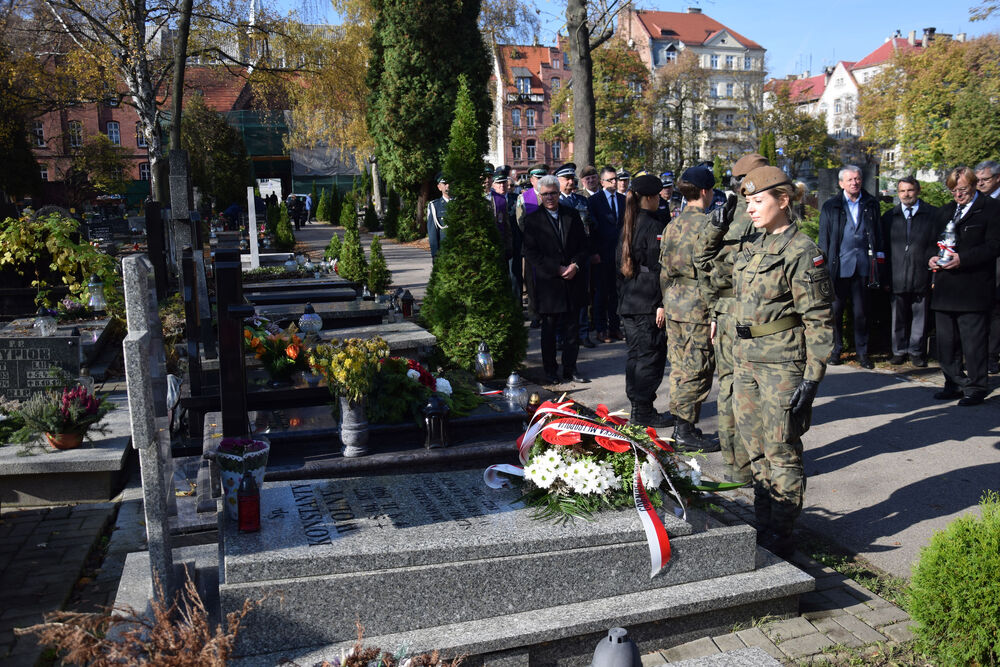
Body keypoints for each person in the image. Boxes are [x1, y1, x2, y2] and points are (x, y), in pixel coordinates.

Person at [733, 165, 834, 558]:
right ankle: (763, 523)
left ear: (784, 201)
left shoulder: (802, 252)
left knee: (781, 450)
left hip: (782, 366)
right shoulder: (753, 246)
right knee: (754, 450)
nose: (751, 209)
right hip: (746, 363)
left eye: (758, 201)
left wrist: (813, 378)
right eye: (748, 202)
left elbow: (819, 320)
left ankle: (783, 533)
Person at [698, 152, 768, 483]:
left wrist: (714, 309)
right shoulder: (755, 214)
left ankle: (735, 464)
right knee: (751, 391)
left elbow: (706, 267)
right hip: (750, 315)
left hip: (727, 313)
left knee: (729, 386)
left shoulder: (727, 213)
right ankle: (751, 465)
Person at [926, 166, 1000, 406]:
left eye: (963, 190)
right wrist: (931, 257)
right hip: (945, 287)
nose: (958, 195)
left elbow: (993, 246)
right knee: (946, 342)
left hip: (973, 287)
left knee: (973, 342)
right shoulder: (944, 212)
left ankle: (978, 386)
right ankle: (954, 382)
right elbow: (930, 243)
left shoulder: (991, 209)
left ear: (974, 185)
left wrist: (963, 259)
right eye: (953, 190)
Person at [660, 165, 719, 452]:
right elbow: (714, 273)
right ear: (706, 192)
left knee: (680, 367)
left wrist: (664, 301)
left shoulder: (673, 224)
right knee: (697, 368)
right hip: (698, 306)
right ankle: (684, 430)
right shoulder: (708, 225)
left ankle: (683, 425)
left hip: (675, 302)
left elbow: (664, 271)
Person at [522, 175, 591, 385]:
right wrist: (556, 268)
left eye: (553, 193)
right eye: (545, 194)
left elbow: (583, 246)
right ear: (539, 196)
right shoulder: (532, 220)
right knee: (549, 331)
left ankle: (571, 369)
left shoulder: (571, 214)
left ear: (558, 193)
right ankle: (550, 371)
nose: (550, 197)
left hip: (572, 280)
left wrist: (575, 265)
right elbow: (531, 254)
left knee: (572, 330)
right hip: (549, 284)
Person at [617, 174, 673, 428]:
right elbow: (659, 266)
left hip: (631, 300)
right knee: (650, 357)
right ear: (650, 197)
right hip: (647, 303)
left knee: (637, 357)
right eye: (658, 195)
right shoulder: (652, 224)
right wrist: (661, 302)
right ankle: (643, 411)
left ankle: (639, 408)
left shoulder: (631, 221)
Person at [818, 165, 883, 368]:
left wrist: (879, 263)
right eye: (850, 180)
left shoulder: (871, 204)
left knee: (861, 313)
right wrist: (823, 267)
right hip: (839, 267)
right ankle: (836, 350)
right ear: (841, 183)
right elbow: (824, 239)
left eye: (857, 179)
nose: (854, 182)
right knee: (835, 312)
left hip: (863, 266)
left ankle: (863, 353)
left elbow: (878, 234)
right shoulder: (831, 206)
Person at [881, 177, 938, 366]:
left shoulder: (932, 214)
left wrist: (933, 275)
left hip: (921, 273)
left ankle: (916, 351)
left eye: (910, 190)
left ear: (918, 190)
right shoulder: (890, 217)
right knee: (897, 317)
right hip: (896, 274)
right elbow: (885, 249)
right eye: (902, 191)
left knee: (920, 315)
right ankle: (899, 350)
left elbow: (937, 246)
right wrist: (885, 277)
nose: (906, 194)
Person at [556, 163, 596, 348]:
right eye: (567, 179)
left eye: (572, 179)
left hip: (582, 254)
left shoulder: (581, 201)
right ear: (558, 181)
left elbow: (592, 226)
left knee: (583, 295)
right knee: (563, 297)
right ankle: (562, 335)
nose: (571, 182)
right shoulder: (556, 202)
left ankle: (583, 332)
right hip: (564, 257)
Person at [587, 166, 626, 343]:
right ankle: (601, 328)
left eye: (615, 179)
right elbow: (591, 229)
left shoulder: (623, 199)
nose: (615, 182)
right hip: (601, 254)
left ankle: (615, 327)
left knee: (616, 292)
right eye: (611, 179)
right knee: (601, 293)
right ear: (602, 181)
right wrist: (593, 252)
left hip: (618, 255)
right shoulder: (594, 201)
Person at [975, 160, 1000, 373]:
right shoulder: (974, 201)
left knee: (996, 310)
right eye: (978, 180)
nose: (980, 184)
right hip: (976, 263)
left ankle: (991, 355)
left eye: (985, 179)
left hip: (997, 262)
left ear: (998, 178)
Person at [516, 164, 549, 325]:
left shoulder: (551, 195)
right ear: (532, 180)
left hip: (550, 247)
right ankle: (534, 313)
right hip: (532, 246)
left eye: (543, 177)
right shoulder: (523, 198)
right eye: (538, 178)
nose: (541, 180)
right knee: (531, 281)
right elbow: (521, 222)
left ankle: (547, 310)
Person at [487, 166, 514, 267]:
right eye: (499, 183)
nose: (502, 186)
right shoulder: (477, 199)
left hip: (502, 245)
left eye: (504, 182)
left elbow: (507, 226)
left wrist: (508, 247)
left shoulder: (502, 200)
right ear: (493, 184)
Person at [426, 173, 450, 260]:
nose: (448, 186)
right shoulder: (434, 206)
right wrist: (435, 256)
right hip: (444, 254)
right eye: (445, 183)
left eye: (450, 182)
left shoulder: (461, 204)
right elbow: (433, 234)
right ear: (439, 187)